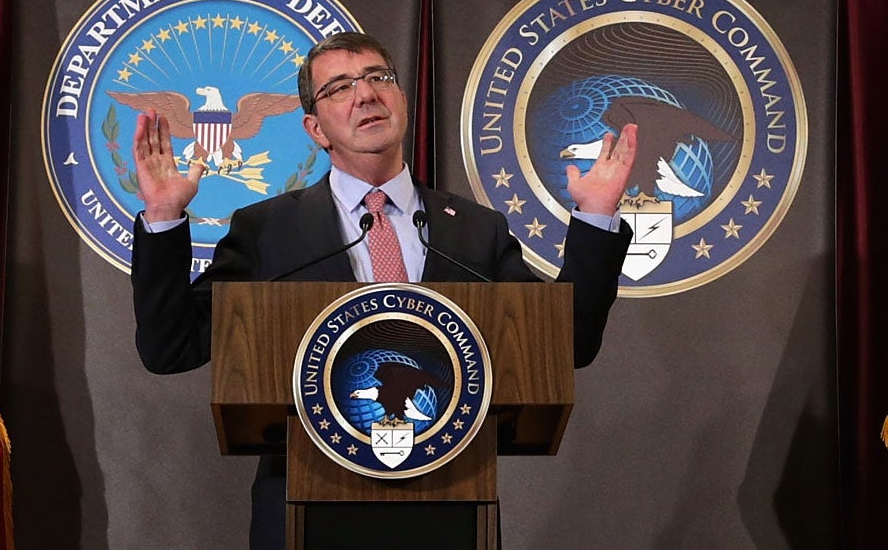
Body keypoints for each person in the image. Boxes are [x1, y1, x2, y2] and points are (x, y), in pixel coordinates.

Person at [130, 32, 638, 548]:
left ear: (400, 100)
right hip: (305, 507)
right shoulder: (267, 230)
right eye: (340, 87)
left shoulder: (474, 231)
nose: (366, 94)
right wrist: (165, 217)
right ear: (315, 128)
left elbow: (565, 343)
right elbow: (171, 348)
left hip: (451, 505)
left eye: (379, 78)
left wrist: (596, 217)